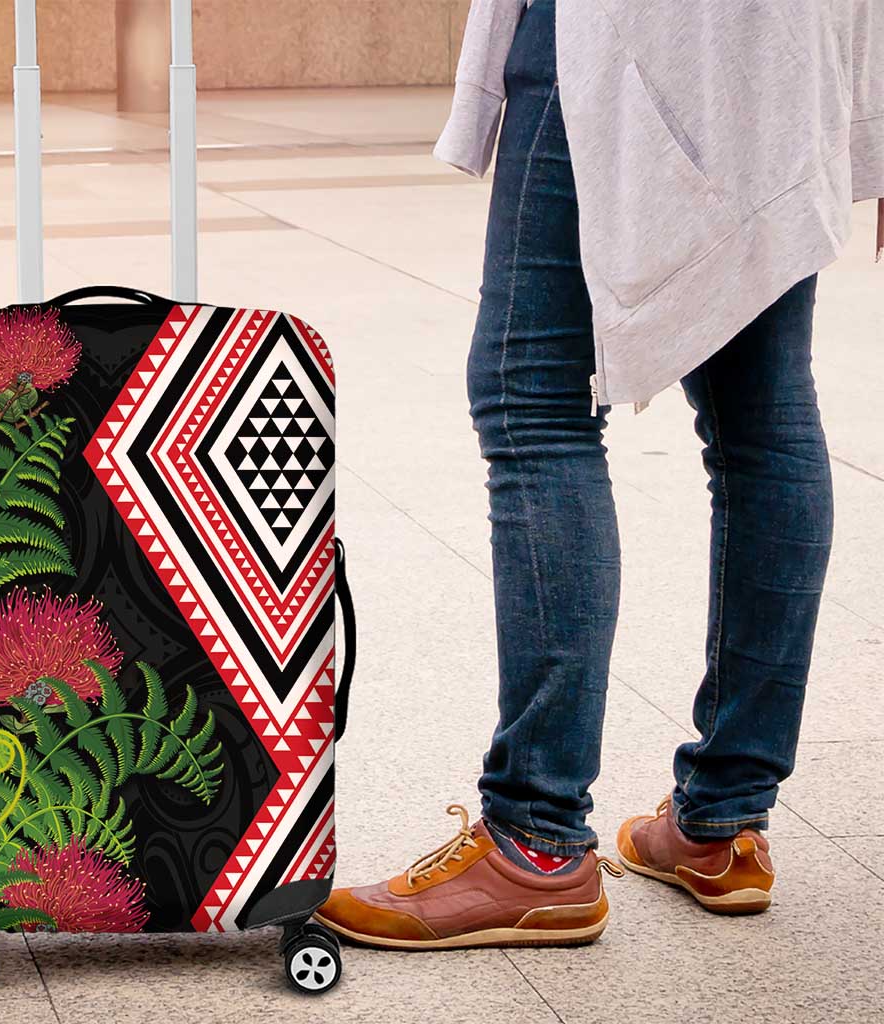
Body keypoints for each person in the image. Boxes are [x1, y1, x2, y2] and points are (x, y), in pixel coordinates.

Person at [315, 0, 884, 948]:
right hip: (796, 42)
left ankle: (535, 846)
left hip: (639, 27)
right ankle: (725, 821)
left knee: (529, 395)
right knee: (763, 412)